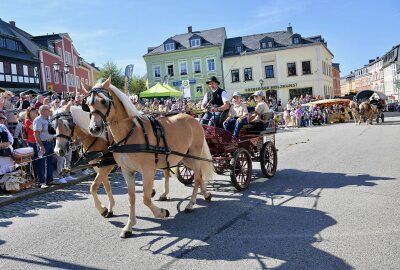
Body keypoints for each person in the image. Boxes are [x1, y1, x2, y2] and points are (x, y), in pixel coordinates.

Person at [33, 105, 54, 189]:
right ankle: (41, 182)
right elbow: (36, 134)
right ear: (42, 111)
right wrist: (41, 145)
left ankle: (50, 180)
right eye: (48, 109)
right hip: (43, 143)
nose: (50, 111)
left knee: (50, 162)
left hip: (50, 142)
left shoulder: (48, 119)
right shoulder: (38, 120)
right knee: (41, 163)